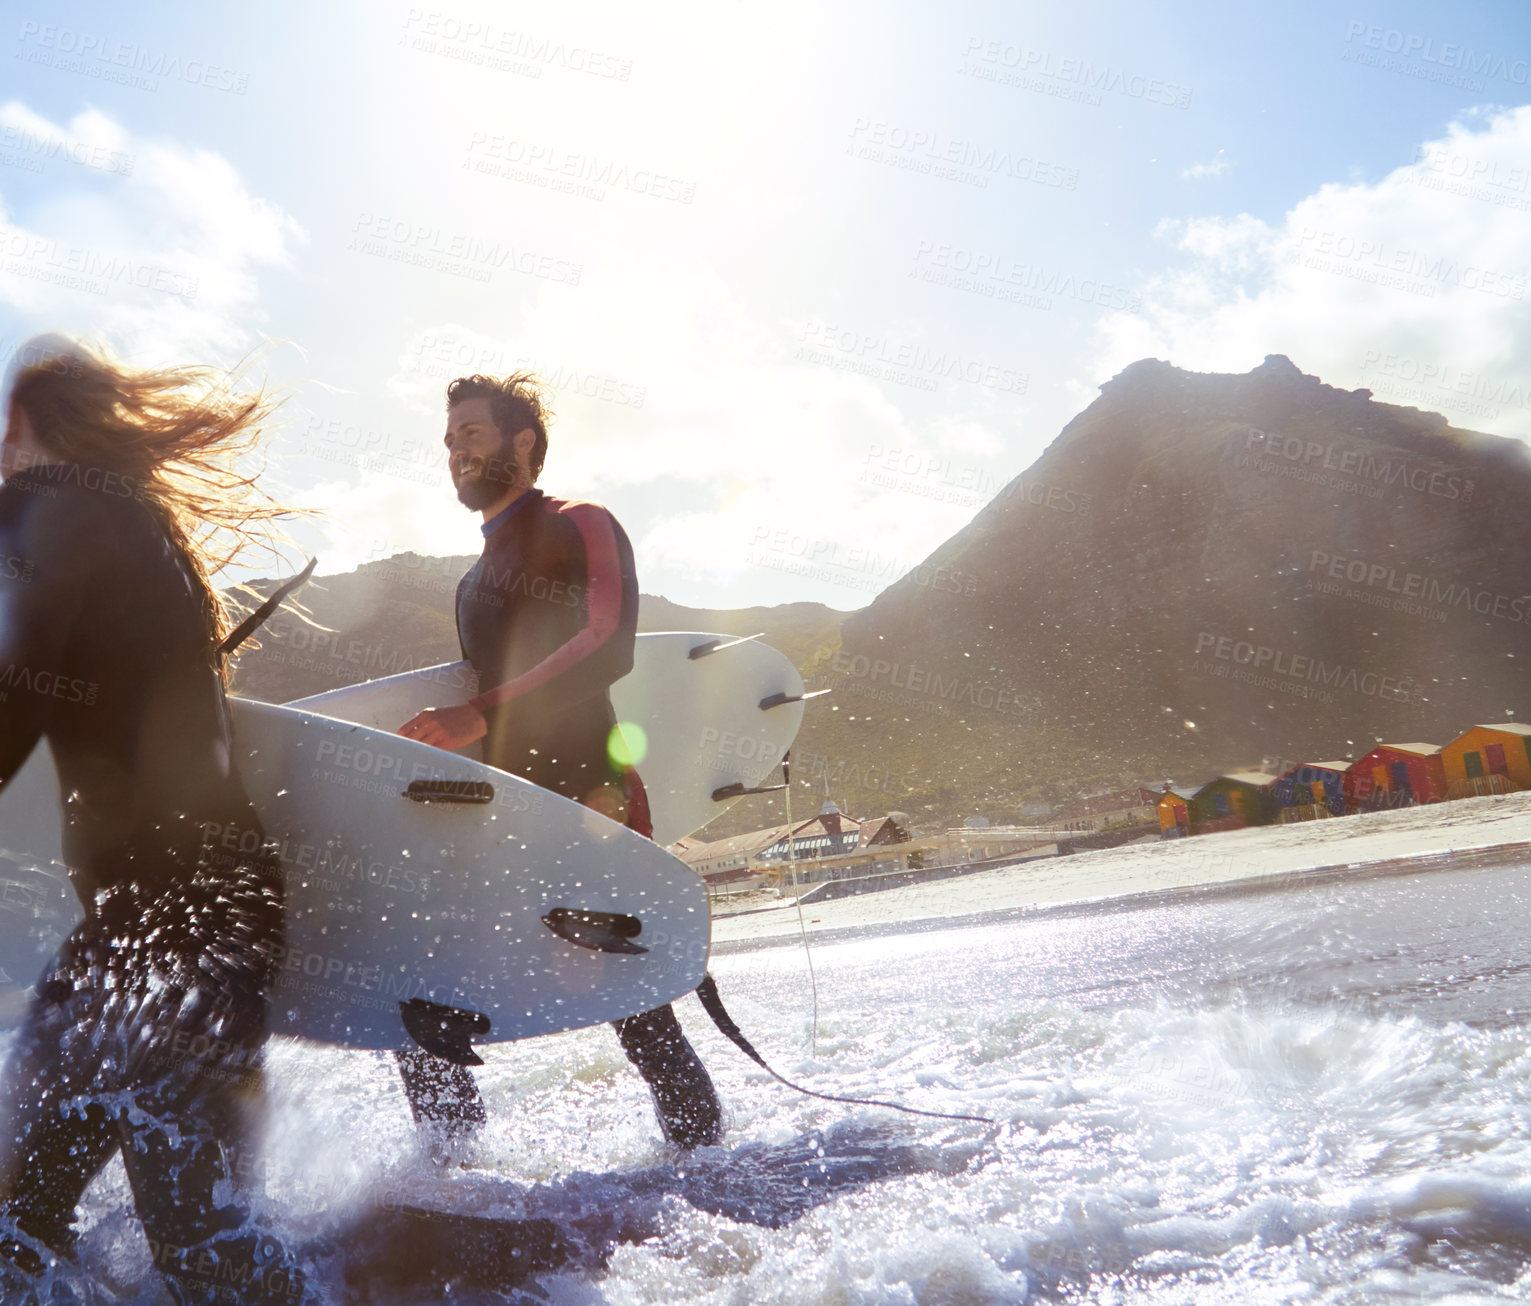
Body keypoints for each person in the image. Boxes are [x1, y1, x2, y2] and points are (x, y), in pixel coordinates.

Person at [0, 336, 310, 1304]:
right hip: (179, 925)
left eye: (7, 421)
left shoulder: (51, 509)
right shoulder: (138, 530)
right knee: (24, 1222)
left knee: (196, 1254)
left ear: (36, 425)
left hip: (172, 934)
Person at [397, 372, 723, 1151]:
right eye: (447, 441)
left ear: (524, 443)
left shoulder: (581, 522)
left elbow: (603, 645)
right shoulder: (473, 577)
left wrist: (477, 714)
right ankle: (451, 1180)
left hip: (587, 803)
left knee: (637, 1008)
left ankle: (705, 1169)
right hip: (499, 813)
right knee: (418, 997)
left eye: (470, 434)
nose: (454, 452)